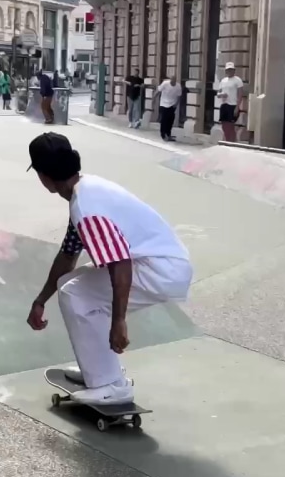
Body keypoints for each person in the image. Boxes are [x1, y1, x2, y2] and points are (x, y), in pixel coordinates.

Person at [25, 132, 192, 405]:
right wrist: (40, 300)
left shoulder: (86, 208)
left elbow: (119, 263)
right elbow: (68, 255)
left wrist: (119, 321)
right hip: (160, 261)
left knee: (76, 294)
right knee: (70, 284)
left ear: (43, 176)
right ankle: (101, 369)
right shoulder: (85, 189)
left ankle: (111, 386)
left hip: (159, 269)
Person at [215, 62, 245, 142]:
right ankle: (227, 140)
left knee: (230, 125)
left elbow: (240, 94)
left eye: (231, 70)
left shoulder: (237, 80)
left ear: (234, 70)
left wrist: (237, 107)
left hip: (233, 105)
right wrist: (221, 95)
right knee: (224, 125)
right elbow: (218, 93)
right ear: (225, 71)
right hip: (224, 104)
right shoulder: (223, 81)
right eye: (228, 70)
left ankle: (231, 141)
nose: (229, 71)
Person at [156, 73, 184, 142]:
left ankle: (168, 134)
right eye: (172, 80)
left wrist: (176, 104)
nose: (173, 82)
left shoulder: (178, 86)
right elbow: (158, 90)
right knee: (164, 120)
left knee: (170, 120)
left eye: (174, 80)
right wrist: (154, 98)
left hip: (172, 104)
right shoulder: (165, 83)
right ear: (170, 80)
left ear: (175, 80)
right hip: (164, 104)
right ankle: (163, 134)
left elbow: (179, 96)